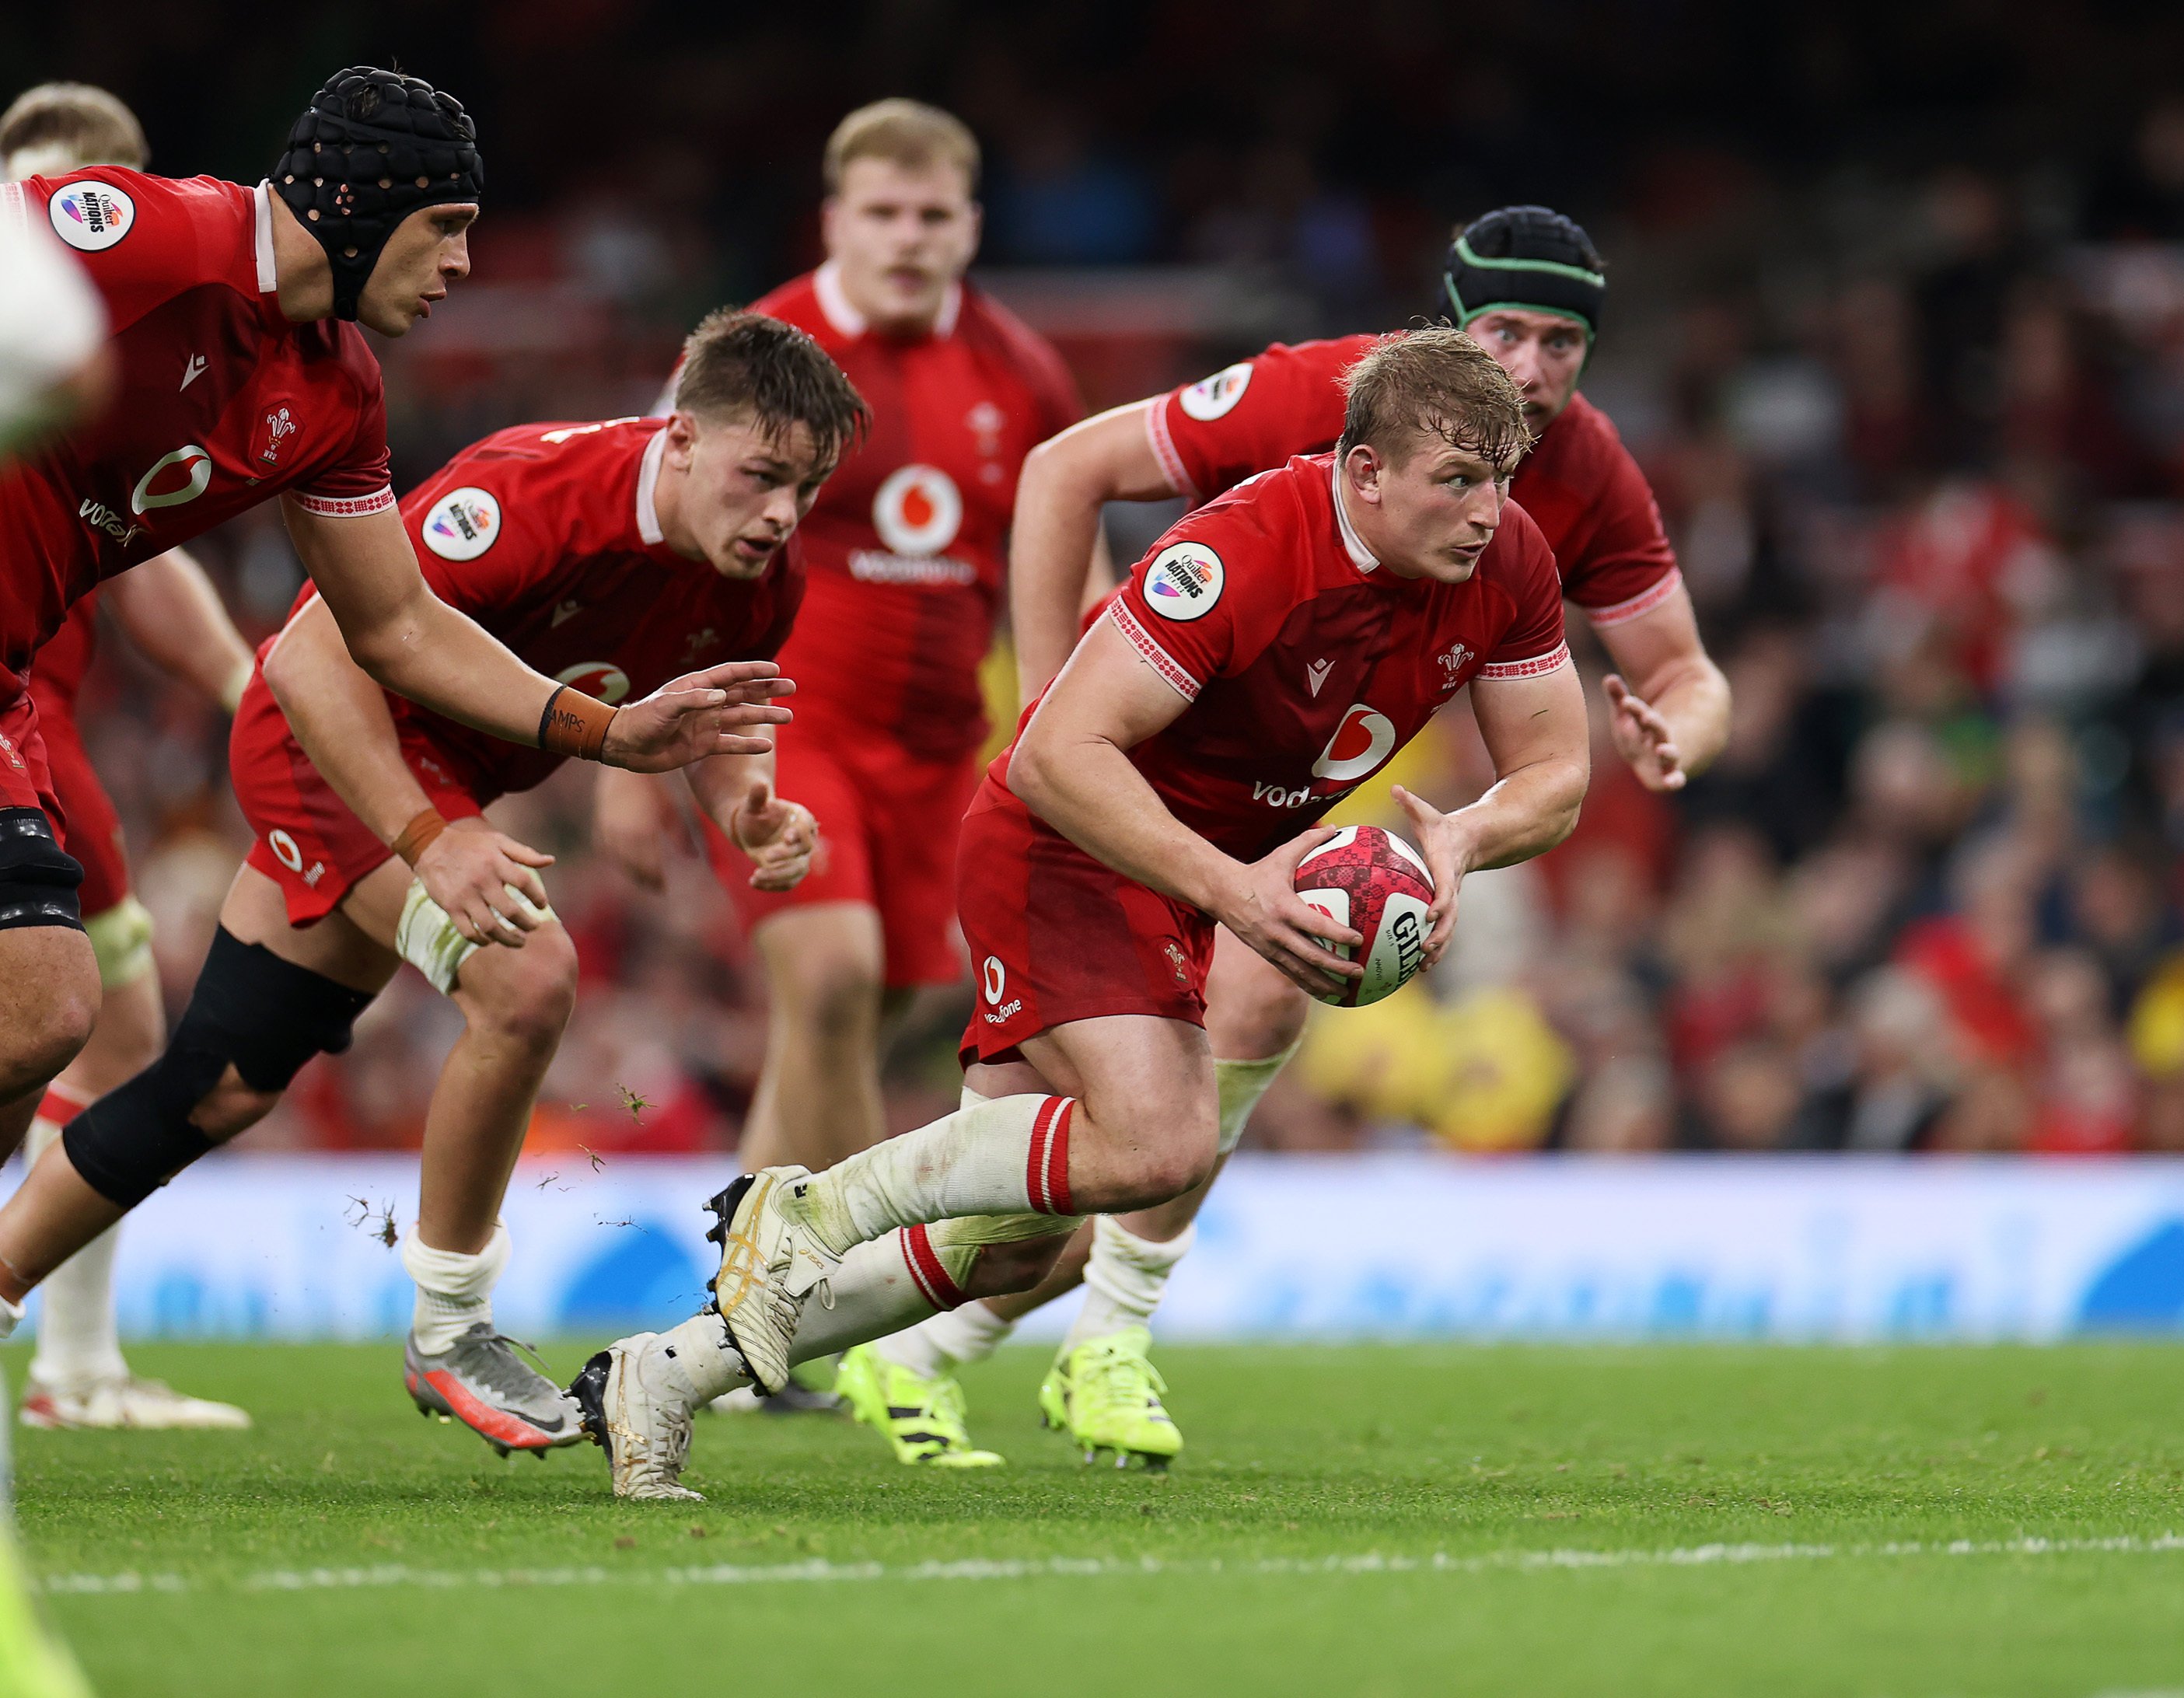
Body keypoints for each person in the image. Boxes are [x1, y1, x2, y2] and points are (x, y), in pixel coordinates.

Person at [575, 328, 1592, 1501]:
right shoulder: (1246, 551)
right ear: (1364, 473)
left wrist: (1463, 838)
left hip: (1193, 873)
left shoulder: (1507, 561)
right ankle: (808, 1205)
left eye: (1501, 482)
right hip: (1066, 847)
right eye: (1456, 481)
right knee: (1162, 1143)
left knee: (1016, 1245)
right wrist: (1233, 891)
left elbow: (1556, 775)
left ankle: (666, 1374)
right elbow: (1057, 754)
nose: (1486, 512)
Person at [844, 205, 1731, 1468]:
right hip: (1138, 782)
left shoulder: (1584, 469)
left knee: (1222, 1059)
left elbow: (1688, 673)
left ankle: (1094, 1341)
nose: (1532, 370)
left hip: (1290, 803)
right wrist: (1057, 713)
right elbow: (1062, 471)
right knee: (1069, 1170)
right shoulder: (1319, 394)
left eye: (1564, 343)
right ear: (1445, 328)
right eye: (1506, 333)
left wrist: (1680, 733)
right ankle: (867, 1316)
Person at [0, 310, 859, 1454]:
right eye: (763, 477)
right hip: (328, 749)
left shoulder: (763, 572)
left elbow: (713, 718)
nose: (783, 514)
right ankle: (451, 1330)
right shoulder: (531, 494)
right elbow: (309, 654)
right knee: (529, 978)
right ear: (683, 437)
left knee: (220, 1086)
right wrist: (426, 836)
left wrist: (748, 806)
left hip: (435, 785)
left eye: (806, 488)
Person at [0, 66, 794, 1194]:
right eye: (448, 227)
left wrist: (608, 736)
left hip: (8, 681)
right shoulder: (161, 236)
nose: (465, 265)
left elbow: (399, 625)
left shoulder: (339, 393)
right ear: (361, 204)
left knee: (42, 1015)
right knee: (51, 1002)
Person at [590, 101, 1079, 1416]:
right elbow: (646, 536)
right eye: (883, 213)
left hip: (944, 756)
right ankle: (802, 1316)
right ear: (834, 220)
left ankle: (741, 1322)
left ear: (971, 224)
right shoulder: (757, 359)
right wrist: (623, 759)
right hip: (785, 719)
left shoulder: (1023, 375)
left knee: (875, 1012)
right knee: (833, 978)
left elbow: (1062, 565)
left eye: (933, 215)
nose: (908, 239)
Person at [2, 80, 260, 1431]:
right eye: (52, 190)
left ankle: (75, 1366)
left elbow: (140, 564)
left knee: (104, 1027)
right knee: (90, 1025)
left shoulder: (127, 356)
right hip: (21, 735)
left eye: (110, 188)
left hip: (37, 738)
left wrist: (238, 684)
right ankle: (72, 1366)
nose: (82, 219)